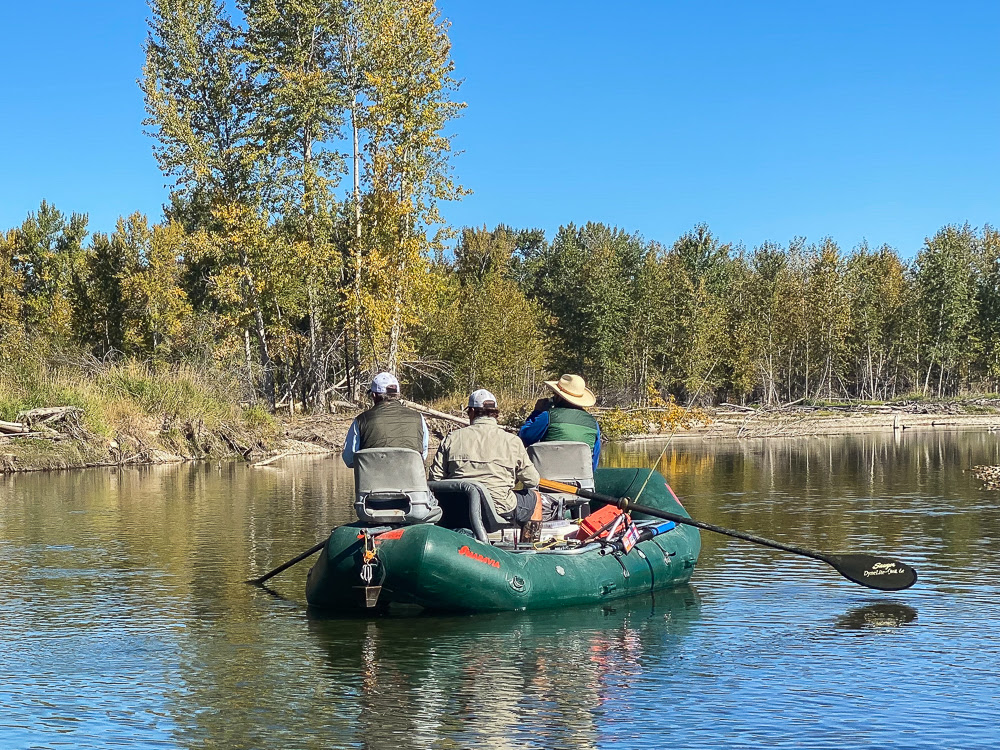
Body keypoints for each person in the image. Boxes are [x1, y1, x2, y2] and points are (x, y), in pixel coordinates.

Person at [428, 389, 544, 541]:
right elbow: (533, 481)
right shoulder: (512, 441)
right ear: (496, 413)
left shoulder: (452, 438)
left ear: (471, 412)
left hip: (457, 510)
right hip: (499, 510)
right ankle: (528, 550)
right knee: (536, 498)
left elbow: (435, 480)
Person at [342, 372, 429, 468]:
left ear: (374, 395)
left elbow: (349, 459)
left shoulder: (361, 421)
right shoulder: (418, 418)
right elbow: (422, 455)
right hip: (413, 482)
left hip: (374, 482)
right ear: (397, 394)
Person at [519, 374, 601, 470]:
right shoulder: (593, 424)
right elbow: (594, 464)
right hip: (583, 482)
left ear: (559, 397)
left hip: (548, 481)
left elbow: (523, 439)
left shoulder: (547, 416)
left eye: (554, 395)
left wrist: (536, 412)